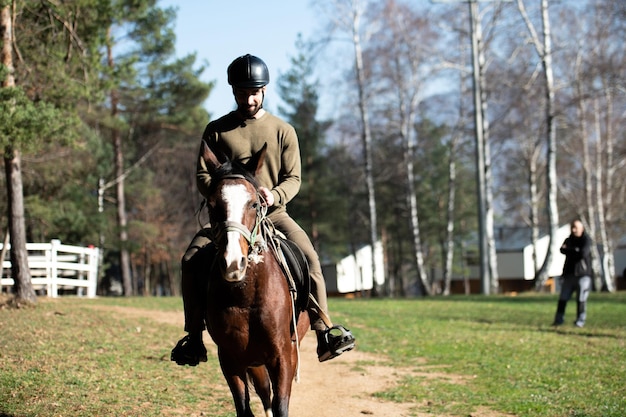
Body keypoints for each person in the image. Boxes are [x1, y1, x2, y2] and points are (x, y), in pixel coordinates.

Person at [171, 54, 355, 366]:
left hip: (273, 213)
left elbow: (293, 178)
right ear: (233, 92)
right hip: (229, 218)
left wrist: (274, 195)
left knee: (309, 256)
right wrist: (224, 195)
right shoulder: (216, 131)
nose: (249, 98)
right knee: (190, 259)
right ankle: (194, 336)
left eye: (254, 92)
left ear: (265, 90)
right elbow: (203, 175)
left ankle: (325, 330)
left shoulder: (284, 131)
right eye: (242, 93)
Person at [552, 219, 593, 327]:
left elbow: (583, 253)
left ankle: (580, 321)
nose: (574, 230)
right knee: (563, 298)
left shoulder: (586, 240)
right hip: (569, 274)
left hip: (583, 275)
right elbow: (562, 250)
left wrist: (571, 250)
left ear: (582, 228)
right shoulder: (568, 239)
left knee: (581, 299)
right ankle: (558, 320)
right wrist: (575, 250)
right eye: (572, 227)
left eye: (576, 227)